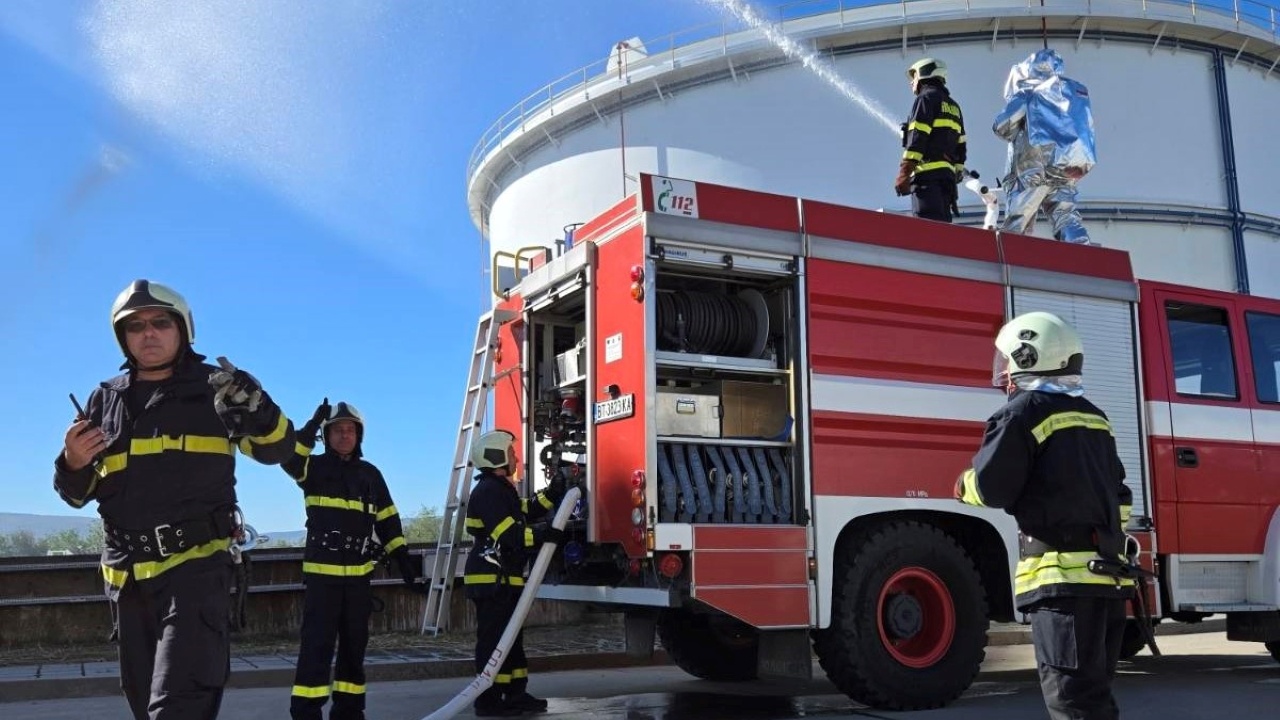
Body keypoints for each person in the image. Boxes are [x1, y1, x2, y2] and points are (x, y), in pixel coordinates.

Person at [54, 279, 296, 720]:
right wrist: (72, 462)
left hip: (196, 573)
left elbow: (278, 449)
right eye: (135, 326)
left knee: (176, 708)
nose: (148, 333)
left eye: (160, 322)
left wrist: (259, 408)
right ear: (122, 337)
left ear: (183, 328)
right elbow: (78, 495)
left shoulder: (217, 388)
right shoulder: (104, 398)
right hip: (128, 582)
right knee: (145, 707)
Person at [955, 311, 1136, 720]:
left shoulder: (1021, 413)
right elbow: (1120, 495)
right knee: (1095, 702)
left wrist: (963, 485)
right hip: (1106, 583)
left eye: (1007, 359)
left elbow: (990, 487)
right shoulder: (1095, 418)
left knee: (1072, 705)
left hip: (1062, 588)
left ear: (1028, 356)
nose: (1003, 371)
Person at [282, 399, 419, 720]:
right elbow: (289, 460)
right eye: (337, 430)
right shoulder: (312, 468)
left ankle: (349, 712)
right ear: (327, 436)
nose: (344, 436)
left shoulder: (370, 475)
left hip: (359, 578)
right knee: (316, 648)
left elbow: (388, 519)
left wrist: (402, 557)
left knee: (354, 650)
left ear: (359, 436)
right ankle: (306, 712)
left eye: (350, 430)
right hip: (322, 578)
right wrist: (311, 425)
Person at [463, 429, 567, 717]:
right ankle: (488, 700)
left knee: (511, 641)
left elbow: (525, 511)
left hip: (503, 579)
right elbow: (510, 535)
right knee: (495, 641)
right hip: (491, 580)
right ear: (496, 456)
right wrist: (547, 534)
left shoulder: (500, 490)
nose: (516, 458)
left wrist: (553, 493)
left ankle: (515, 694)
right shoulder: (487, 492)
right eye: (511, 453)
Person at [993, 48, 1096, 244]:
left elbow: (1001, 127)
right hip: (1067, 168)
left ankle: (1010, 258)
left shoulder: (1027, 92)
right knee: (1066, 216)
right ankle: (1082, 253)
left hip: (1032, 169)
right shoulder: (1074, 92)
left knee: (1018, 219)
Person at [895, 57, 968, 223]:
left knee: (927, 231)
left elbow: (918, 138)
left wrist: (904, 172)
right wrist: (955, 171)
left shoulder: (925, 99)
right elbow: (961, 144)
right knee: (943, 231)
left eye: (914, 77)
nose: (911, 82)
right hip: (947, 183)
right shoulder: (954, 106)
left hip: (926, 180)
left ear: (923, 74)